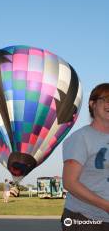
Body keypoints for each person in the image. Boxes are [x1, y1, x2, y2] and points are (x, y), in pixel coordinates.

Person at [61, 83, 109, 231]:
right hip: (84, 219)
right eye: (106, 99)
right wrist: (106, 206)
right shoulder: (81, 138)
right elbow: (69, 182)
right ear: (92, 104)